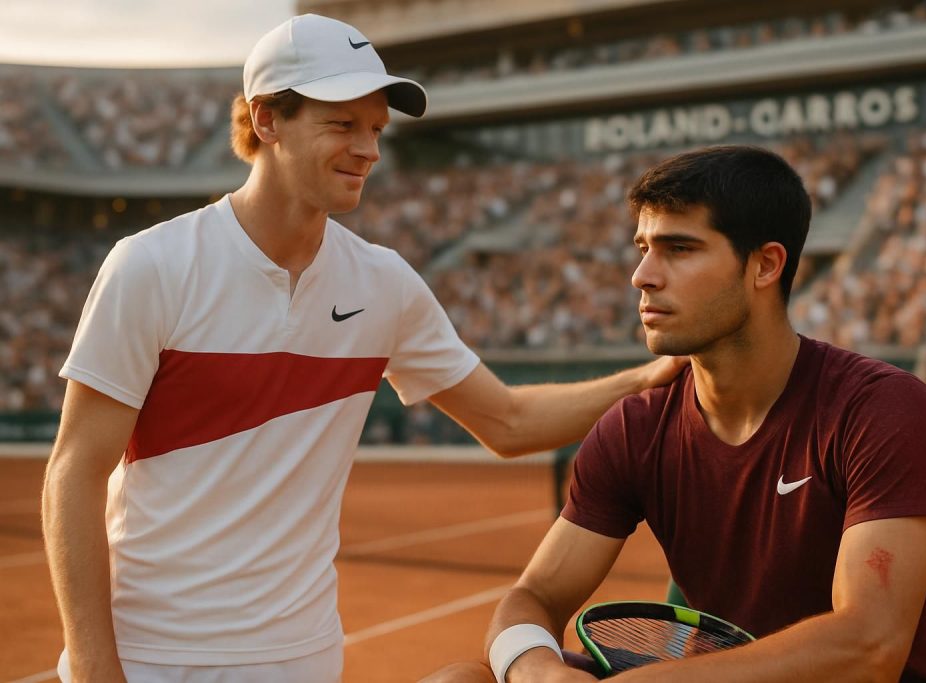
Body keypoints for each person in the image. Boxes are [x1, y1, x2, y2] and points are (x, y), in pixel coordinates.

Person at [40, 15, 685, 683]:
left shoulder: (385, 283)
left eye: (375, 128)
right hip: (153, 657)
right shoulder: (150, 265)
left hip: (304, 658)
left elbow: (509, 421)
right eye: (342, 124)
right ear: (267, 120)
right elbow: (74, 472)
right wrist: (93, 668)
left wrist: (648, 377)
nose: (369, 149)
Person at [427, 146, 926, 683]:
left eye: (679, 248)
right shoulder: (637, 426)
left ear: (766, 265)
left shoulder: (881, 407)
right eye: (642, 247)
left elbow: (868, 646)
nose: (642, 276)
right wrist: (536, 668)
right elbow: (535, 595)